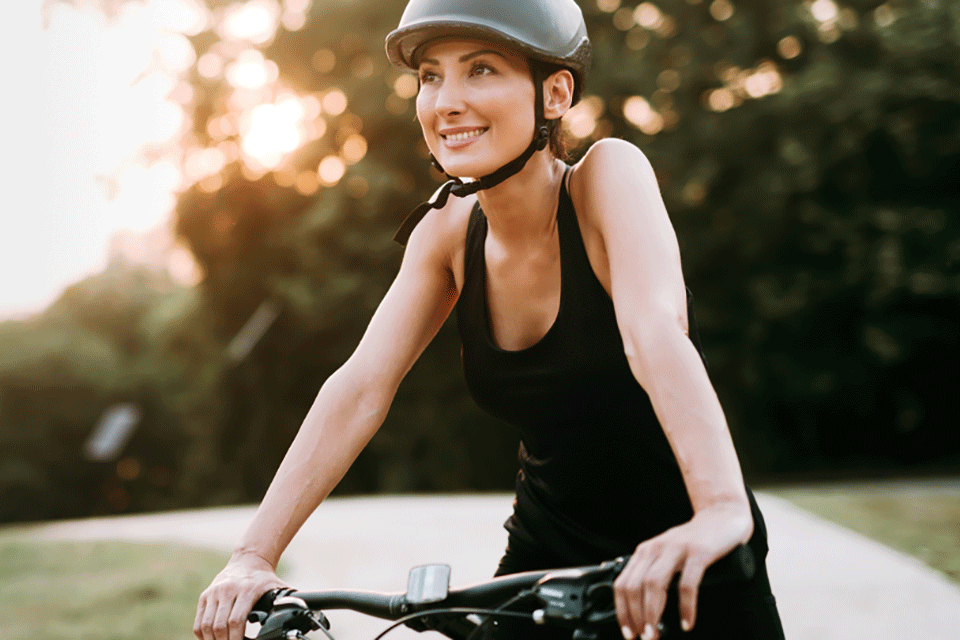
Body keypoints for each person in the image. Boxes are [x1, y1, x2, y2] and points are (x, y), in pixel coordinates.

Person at [194, 1, 785, 639]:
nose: (446, 101)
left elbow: (655, 335)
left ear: (554, 92)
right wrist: (252, 556)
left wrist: (720, 511)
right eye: (430, 75)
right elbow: (362, 385)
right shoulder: (444, 234)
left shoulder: (606, 180)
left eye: (481, 70)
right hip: (542, 570)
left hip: (688, 559)